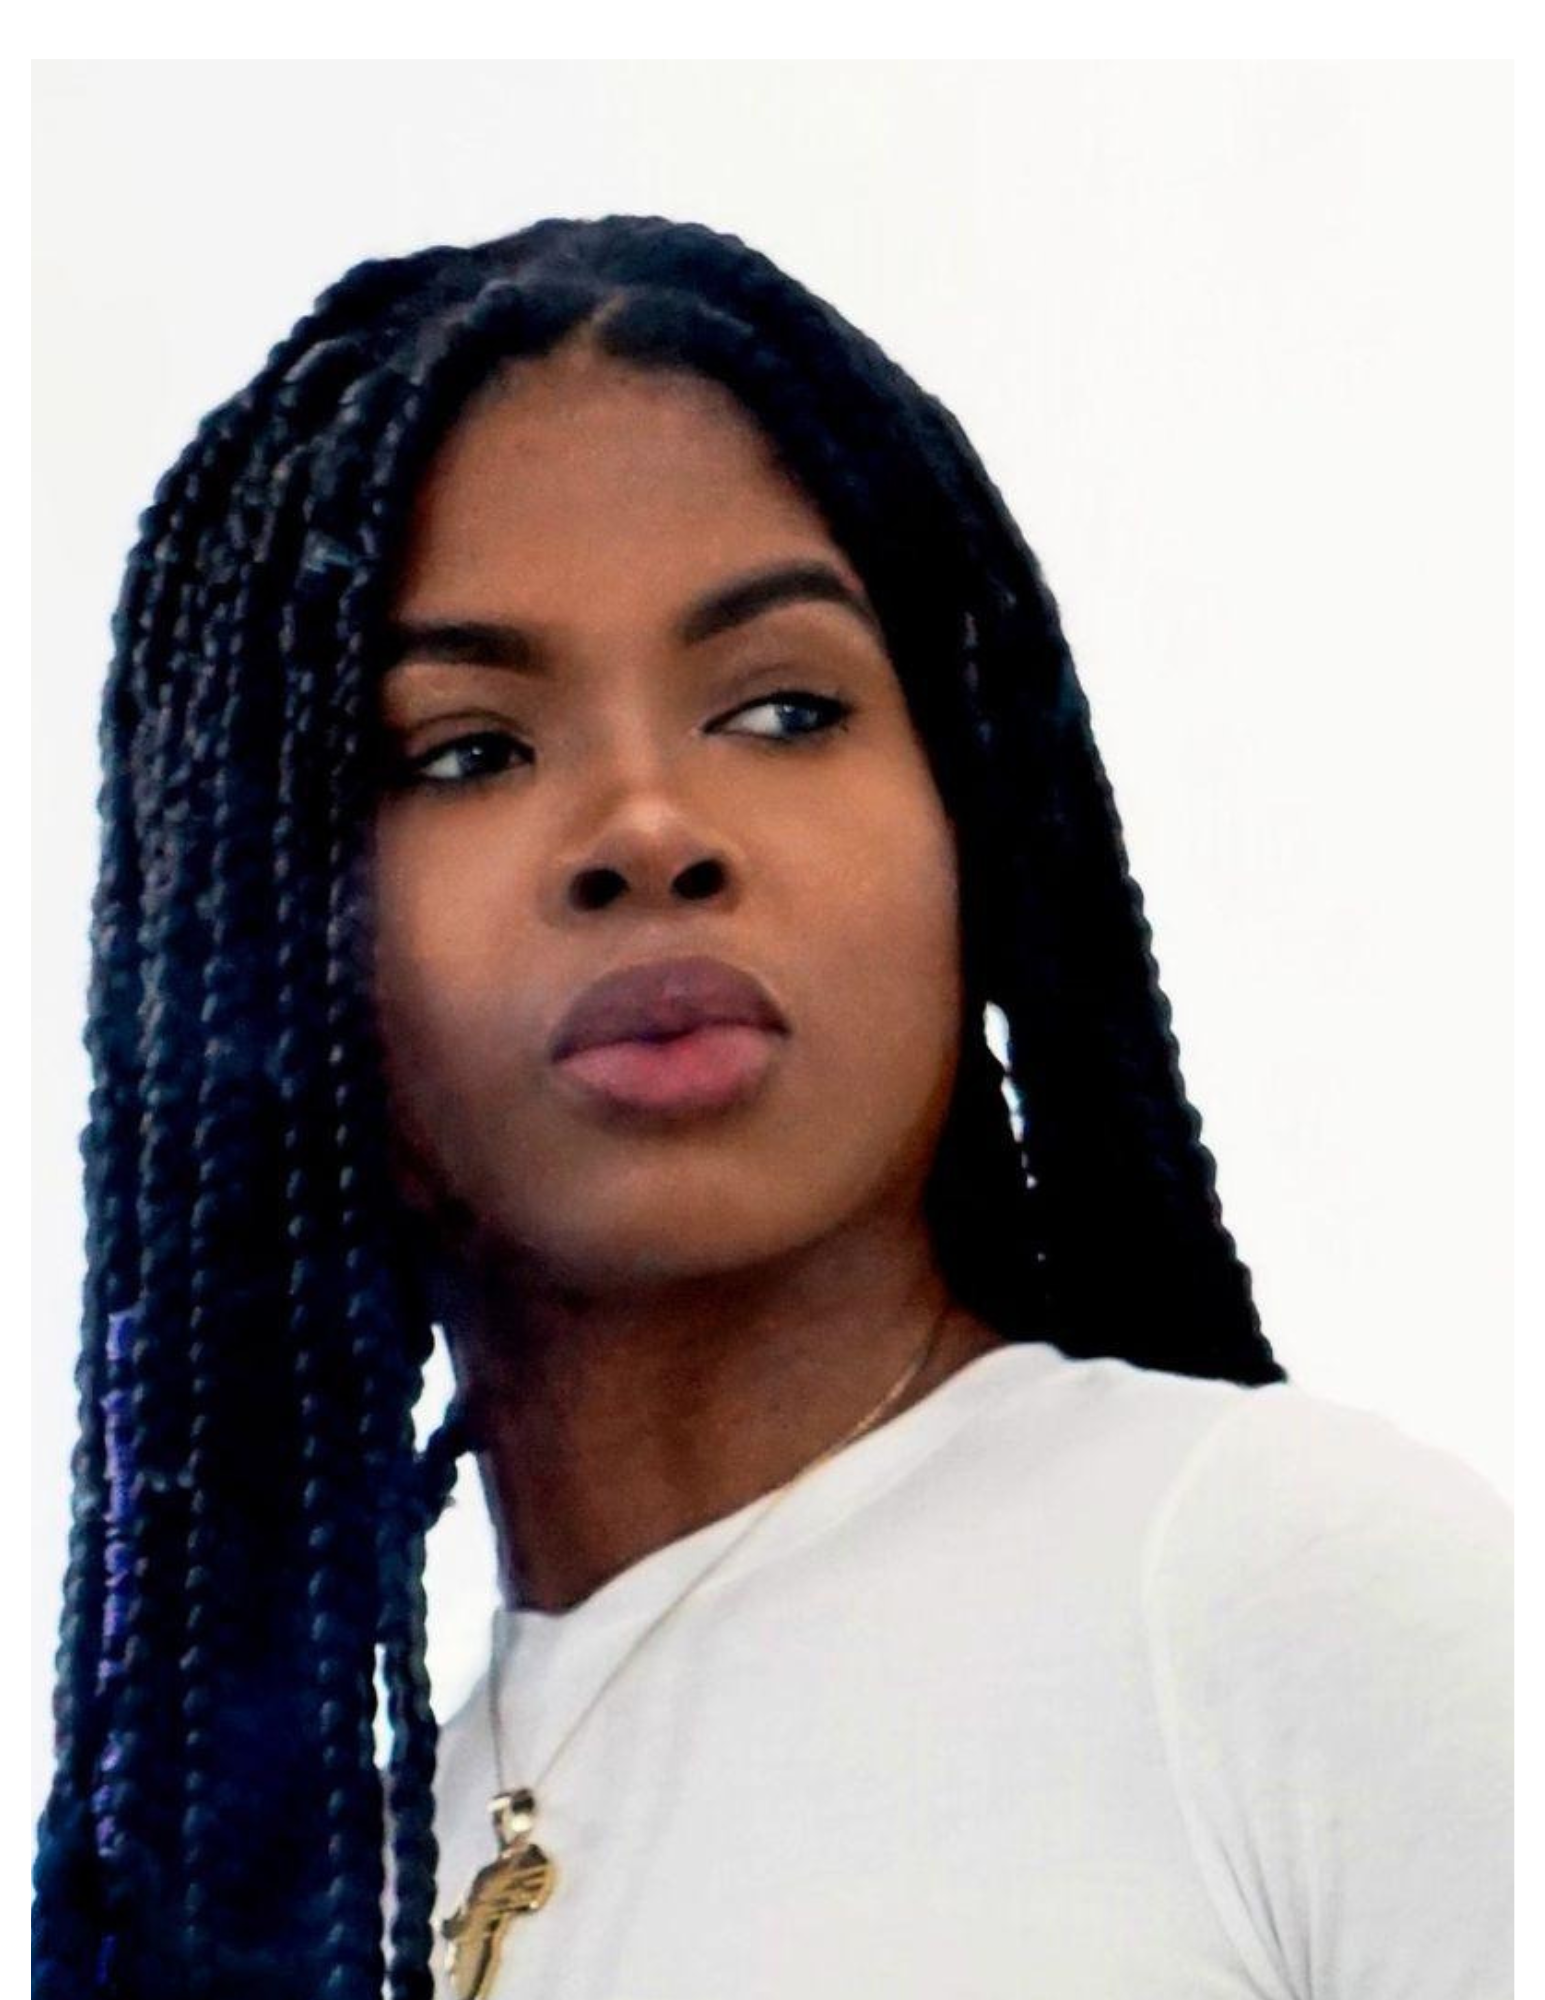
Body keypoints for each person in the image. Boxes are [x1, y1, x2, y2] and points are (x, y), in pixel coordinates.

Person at [32, 216, 1510, 2000]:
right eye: (469, 749)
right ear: (269, 940)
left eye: (788, 707)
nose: (651, 826)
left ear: (982, 840)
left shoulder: (1288, 1602)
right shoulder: (302, 1911)